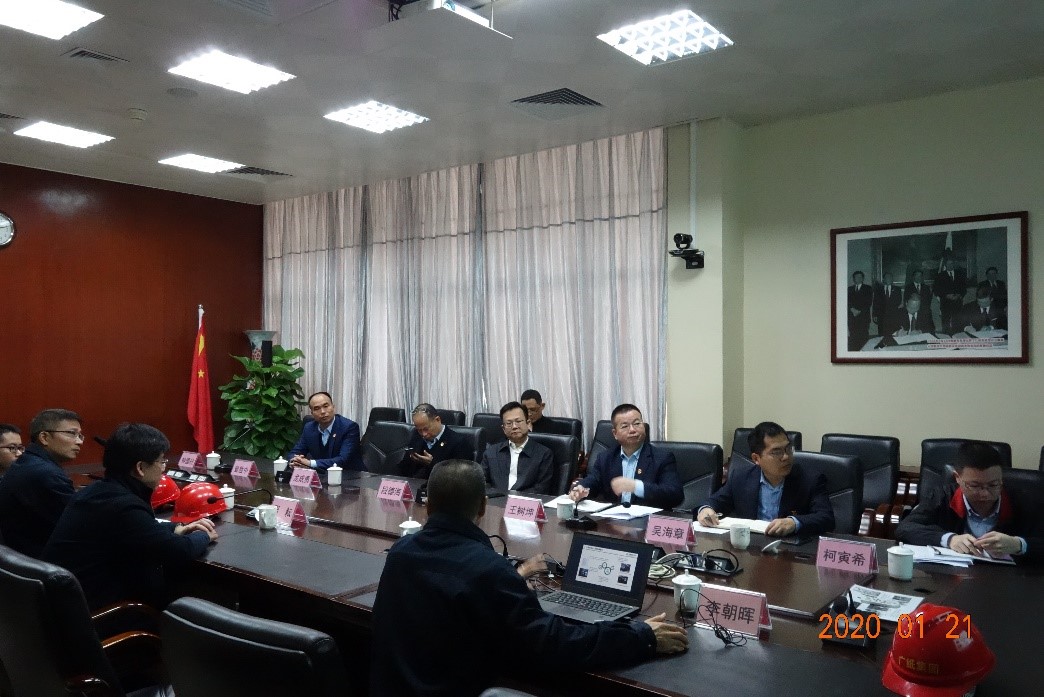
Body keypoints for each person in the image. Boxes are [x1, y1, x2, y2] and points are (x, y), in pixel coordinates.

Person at [370, 460, 687, 696]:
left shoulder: (401, 552)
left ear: (428, 506)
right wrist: (639, 636)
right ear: (483, 506)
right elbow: (555, 644)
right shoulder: (487, 570)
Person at [43, 423, 218, 610]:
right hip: (105, 612)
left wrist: (177, 528)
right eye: (161, 462)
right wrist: (203, 535)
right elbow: (178, 551)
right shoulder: (123, 505)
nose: (163, 469)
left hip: (65, 605)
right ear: (140, 468)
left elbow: (139, 530)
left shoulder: (96, 491)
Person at [896, 441, 1042, 563]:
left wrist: (1019, 545)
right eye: (975, 486)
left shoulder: (1024, 502)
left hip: (1008, 580)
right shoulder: (942, 496)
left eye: (993, 484)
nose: (985, 493)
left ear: (1001, 478)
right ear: (957, 478)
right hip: (952, 578)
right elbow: (905, 528)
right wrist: (949, 539)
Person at [695, 421, 835, 537]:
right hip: (752, 548)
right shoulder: (741, 478)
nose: (786, 457)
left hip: (789, 549)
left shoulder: (810, 479)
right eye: (777, 452)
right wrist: (705, 509)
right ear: (756, 458)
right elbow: (715, 501)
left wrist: (794, 523)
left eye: (788, 449)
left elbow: (826, 518)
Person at [0, 409, 81, 556]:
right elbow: (81, 526)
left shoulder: (28, 462)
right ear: (44, 437)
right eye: (71, 433)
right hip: (42, 560)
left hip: (22, 557)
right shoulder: (46, 473)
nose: (79, 441)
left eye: (80, 435)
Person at [569, 404, 682, 509]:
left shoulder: (662, 458)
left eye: (637, 424)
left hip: (648, 521)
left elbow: (675, 495)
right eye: (625, 426)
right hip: (612, 520)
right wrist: (580, 488)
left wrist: (636, 486)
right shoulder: (605, 458)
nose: (632, 430)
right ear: (615, 434)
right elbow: (593, 481)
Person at [480, 401, 554, 494]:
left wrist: (513, 497)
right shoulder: (491, 452)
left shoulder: (543, 454)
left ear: (528, 423)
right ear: (503, 429)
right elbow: (481, 482)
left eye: (518, 421)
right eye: (509, 423)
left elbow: (541, 489)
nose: (514, 426)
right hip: (496, 500)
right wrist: (500, 496)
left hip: (526, 502)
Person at [286, 391, 363, 471]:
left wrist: (310, 463)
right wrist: (295, 461)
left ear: (333, 407)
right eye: (317, 408)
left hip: (349, 475)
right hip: (321, 474)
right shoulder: (309, 428)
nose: (322, 411)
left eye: (326, 406)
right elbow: (295, 452)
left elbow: (343, 460)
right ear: (312, 413)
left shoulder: (349, 427)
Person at [402, 403, 471, 479]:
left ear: (437, 420)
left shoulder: (459, 442)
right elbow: (403, 468)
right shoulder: (416, 435)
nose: (423, 434)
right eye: (419, 430)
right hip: (414, 483)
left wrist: (432, 463)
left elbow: (460, 476)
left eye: (426, 429)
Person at [934, 257, 967, 334]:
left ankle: (957, 336)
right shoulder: (940, 275)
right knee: (946, 322)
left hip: (957, 302)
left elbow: (964, 288)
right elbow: (936, 290)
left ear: (954, 264)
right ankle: (946, 337)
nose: (950, 266)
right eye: (948, 264)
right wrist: (946, 296)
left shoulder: (960, 274)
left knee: (958, 321)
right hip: (945, 303)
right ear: (945, 265)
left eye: (951, 264)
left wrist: (959, 295)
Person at [848, 271, 874, 350]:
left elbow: (868, 302)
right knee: (853, 337)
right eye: (856, 277)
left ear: (863, 278)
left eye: (860, 277)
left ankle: (864, 354)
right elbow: (847, 301)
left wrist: (859, 311)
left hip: (863, 317)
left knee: (863, 337)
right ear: (854, 279)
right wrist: (852, 309)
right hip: (852, 317)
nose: (858, 278)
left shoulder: (868, 288)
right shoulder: (849, 289)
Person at [873, 272, 904, 337]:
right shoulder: (878, 289)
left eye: (890, 277)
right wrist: (875, 314)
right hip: (881, 316)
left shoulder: (897, 289)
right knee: (882, 334)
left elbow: (898, 302)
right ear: (884, 279)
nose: (889, 279)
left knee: (893, 334)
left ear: (892, 279)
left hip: (893, 316)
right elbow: (875, 303)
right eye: (887, 277)